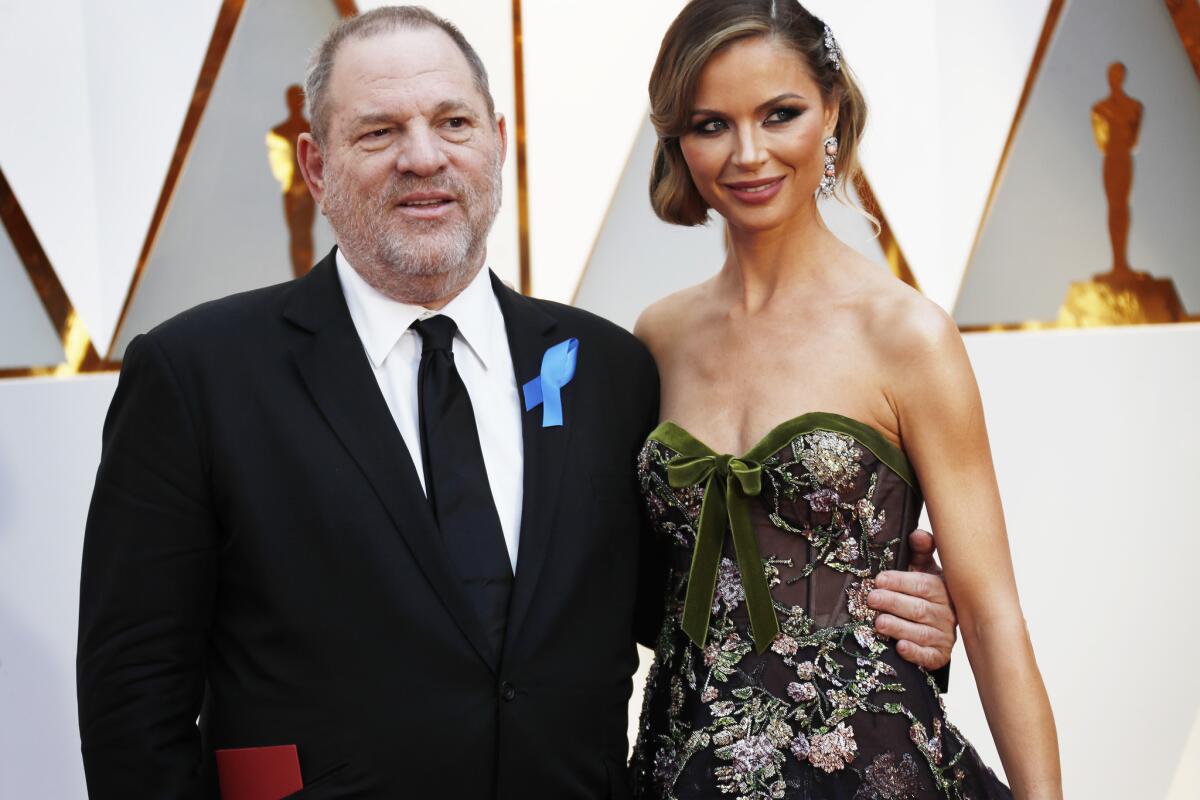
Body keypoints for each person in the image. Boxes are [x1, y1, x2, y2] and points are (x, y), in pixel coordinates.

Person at [76, 6, 957, 798]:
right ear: (316, 163)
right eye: (379, 131)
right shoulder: (198, 376)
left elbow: (695, 598)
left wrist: (880, 604)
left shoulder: (611, 367)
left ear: (497, 140)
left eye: (452, 123)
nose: (424, 157)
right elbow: (131, 701)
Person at [630, 2, 1061, 798]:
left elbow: (995, 616)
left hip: (868, 768)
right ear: (678, 140)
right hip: (678, 767)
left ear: (830, 109)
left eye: (780, 114)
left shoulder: (906, 336)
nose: (748, 154)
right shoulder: (657, 338)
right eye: (710, 124)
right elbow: (629, 584)